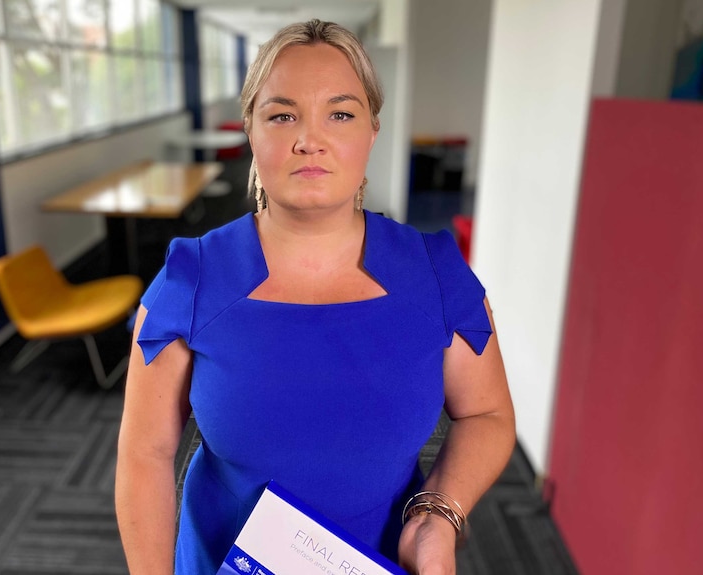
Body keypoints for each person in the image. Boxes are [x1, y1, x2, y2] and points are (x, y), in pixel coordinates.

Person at [115, 19, 515, 575]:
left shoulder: (437, 276)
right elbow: (146, 453)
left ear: (372, 131)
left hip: (382, 558)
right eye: (282, 115)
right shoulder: (192, 280)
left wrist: (437, 516)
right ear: (251, 131)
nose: (310, 138)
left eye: (341, 113)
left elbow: (488, 413)